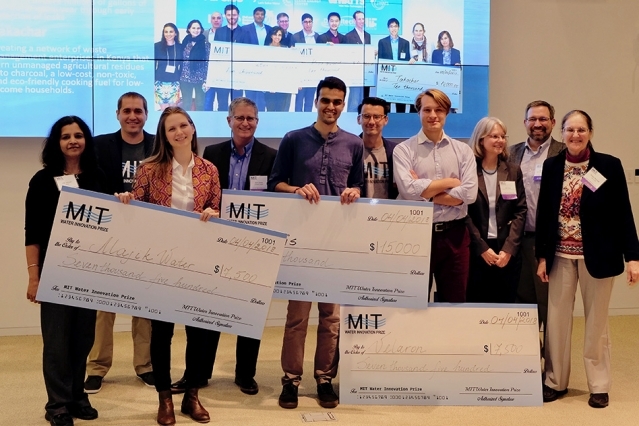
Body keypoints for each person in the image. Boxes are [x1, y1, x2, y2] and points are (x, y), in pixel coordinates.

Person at [116, 107, 222, 425]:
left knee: (199, 333)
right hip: (162, 262)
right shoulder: (149, 169)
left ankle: (191, 396)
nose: (179, 132)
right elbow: (138, 203)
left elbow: (217, 206)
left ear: (192, 128)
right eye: (171, 128)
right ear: (164, 135)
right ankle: (165, 398)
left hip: (198, 262)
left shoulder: (210, 169)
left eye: (183, 125)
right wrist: (126, 201)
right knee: (161, 334)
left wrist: (214, 214)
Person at [268, 76, 364, 410]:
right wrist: (295, 189)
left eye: (338, 102)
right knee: (296, 318)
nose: (331, 107)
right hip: (301, 244)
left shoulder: (354, 143)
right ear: (316, 101)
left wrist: (355, 192)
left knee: (331, 318)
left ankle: (324, 378)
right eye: (326, 100)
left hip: (336, 244)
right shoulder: (293, 139)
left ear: (344, 104)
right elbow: (274, 183)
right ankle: (291, 380)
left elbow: (358, 186)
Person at [170, 98, 276, 396]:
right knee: (208, 310)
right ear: (229, 121)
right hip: (215, 241)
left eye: (251, 118)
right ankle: (199, 374)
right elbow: (203, 194)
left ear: (257, 122)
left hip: (255, 244)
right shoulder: (211, 153)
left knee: (250, 310)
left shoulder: (271, 155)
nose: (245, 123)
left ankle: (245, 374)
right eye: (239, 118)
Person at [536, 110, 639, 409]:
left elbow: (623, 213)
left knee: (596, 323)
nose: (575, 135)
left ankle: (599, 385)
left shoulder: (608, 165)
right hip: (559, 256)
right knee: (556, 321)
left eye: (581, 129)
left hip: (599, 256)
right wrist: (541, 256)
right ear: (562, 132)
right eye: (570, 130)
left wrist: (633, 256)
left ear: (590, 132)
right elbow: (545, 214)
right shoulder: (552, 165)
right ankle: (555, 381)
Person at [26, 116, 108, 426]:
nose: (72, 141)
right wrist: (34, 276)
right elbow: (31, 232)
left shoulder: (98, 177)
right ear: (56, 142)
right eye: (65, 136)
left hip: (88, 273)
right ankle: (57, 405)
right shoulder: (41, 180)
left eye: (78, 135)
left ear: (86, 140)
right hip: (54, 273)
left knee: (82, 340)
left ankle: (76, 397)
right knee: (57, 343)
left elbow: (114, 221)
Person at [85, 93, 155, 394]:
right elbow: (90, 183)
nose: (132, 116)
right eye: (127, 111)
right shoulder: (100, 145)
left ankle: (145, 366)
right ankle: (97, 367)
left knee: (144, 304)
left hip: (147, 235)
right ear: (117, 114)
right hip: (110, 236)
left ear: (146, 114)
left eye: (138, 111)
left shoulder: (158, 145)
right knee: (104, 305)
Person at [393, 89, 477, 302]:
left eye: (439, 110)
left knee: (455, 303)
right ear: (418, 112)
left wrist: (425, 192)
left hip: (455, 235)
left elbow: (469, 194)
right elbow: (407, 191)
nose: (433, 115)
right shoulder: (403, 150)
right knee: (413, 301)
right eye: (427, 110)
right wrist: (450, 183)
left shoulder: (463, 150)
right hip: (416, 234)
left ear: (447, 113)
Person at [510, 100, 564, 358]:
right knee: (522, 302)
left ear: (553, 123)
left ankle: (552, 370)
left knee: (549, 306)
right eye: (532, 119)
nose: (538, 124)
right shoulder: (511, 153)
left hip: (551, 244)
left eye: (543, 119)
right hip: (519, 241)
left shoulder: (565, 152)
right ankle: (527, 360)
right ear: (525, 123)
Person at [465, 117, 527, 303]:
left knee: (504, 303)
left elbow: (520, 211)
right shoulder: (467, 170)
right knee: (476, 303)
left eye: (503, 136)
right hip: (477, 249)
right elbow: (463, 212)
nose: (500, 140)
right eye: (494, 136)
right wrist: (481, 247)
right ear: (480, 139)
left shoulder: (513, 171)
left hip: (505, 251)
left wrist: (509, 249)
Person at [357, 97, 398, 199]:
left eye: (377, 117)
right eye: (366, 116)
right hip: (356, 212)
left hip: (390, 213)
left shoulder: (396, 151)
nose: (371, 122)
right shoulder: (349, 150)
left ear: (385, 120)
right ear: (359, 119)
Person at [238, 7, 271, 111]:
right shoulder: (245, 29)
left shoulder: (270, 29)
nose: (259, 16)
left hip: (265, 66)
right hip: (250, 67)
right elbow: (241, 47)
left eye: (262, 14)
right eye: (257, 14)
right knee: (250, 95)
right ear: (253, 16)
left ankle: (260, 116)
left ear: (264, 16)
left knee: (262, 96)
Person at [214, 4, 244, 112]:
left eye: (234, 15)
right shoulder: (219, 31)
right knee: (221, 103)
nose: (232, 17)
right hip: (222, 73)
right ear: (225, 16)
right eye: (229, 15)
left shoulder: (245, 32)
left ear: (238, 16)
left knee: (237, 105)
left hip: (239, 74)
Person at [377, 18, 411, 113]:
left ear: (399, 27)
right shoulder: (382, 42)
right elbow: (380, 60)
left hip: (401, 77)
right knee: (386, 104)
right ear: (388, 28)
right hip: (387, 77)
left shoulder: (405, 43)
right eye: (391, 26)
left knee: (400, 103)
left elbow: (407, 60)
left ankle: (400, 124)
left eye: (395, 26)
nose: (393, 28)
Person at [180, 19, 211, 111]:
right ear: (189, 29)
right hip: (185, 78)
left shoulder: (206, 44)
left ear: (201, 30)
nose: (196, 30)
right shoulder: (185, 42)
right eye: (193, 28)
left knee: (200, 104)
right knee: (186, 104)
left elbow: (208, 63)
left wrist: (207, 80)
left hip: (201, 78)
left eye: (198, 28)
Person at [291, 13, 319, 112]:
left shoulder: (317, 36)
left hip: (313, 74)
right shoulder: (295, 37)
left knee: (309, 101)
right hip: (300, 74)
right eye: (305, 22)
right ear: (302, 23)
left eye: (310, 22)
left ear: (312, 23)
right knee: (298, 102)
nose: (308, 24)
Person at [345, 10, 372, 112]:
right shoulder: (348, 36)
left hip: (366, 73)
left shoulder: (368, 35)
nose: (361, 21)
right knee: (354, 100)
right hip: (354, 72)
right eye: (359, 19)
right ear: (354, 20)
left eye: (363, 19)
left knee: (364, 100)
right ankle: (350, 122)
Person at [154, 23, 183, 111]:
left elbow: (182, 65)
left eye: (171, 31)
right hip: (160, 82)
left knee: (173, 109)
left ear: (175, 33)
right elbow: (153, 64)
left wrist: (180, 80)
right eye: (166, 32)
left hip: (174, 81)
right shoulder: (157, 46)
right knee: (164, 110)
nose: (168, 34)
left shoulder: (180, 47)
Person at [264, 27, 290, 112]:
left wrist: (294, 53)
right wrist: (269, 85)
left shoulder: (286, 50)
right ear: (271, 35)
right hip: (268, 86)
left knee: (281, 111)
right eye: (275, 34)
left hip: (282, 85)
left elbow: (289, 68)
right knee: (270, 111)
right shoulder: (264, 50)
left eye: (280, 35)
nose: (277, 37)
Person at [203, 12, 223, 111]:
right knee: (207, 102)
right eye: (213, 18)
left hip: (223, 72)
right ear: (210, 20)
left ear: (222, 20)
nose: (216, 20)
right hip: (208, 74)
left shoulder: (227, 33)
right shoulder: (204, 34)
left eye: (218, 18)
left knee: (222, 102)